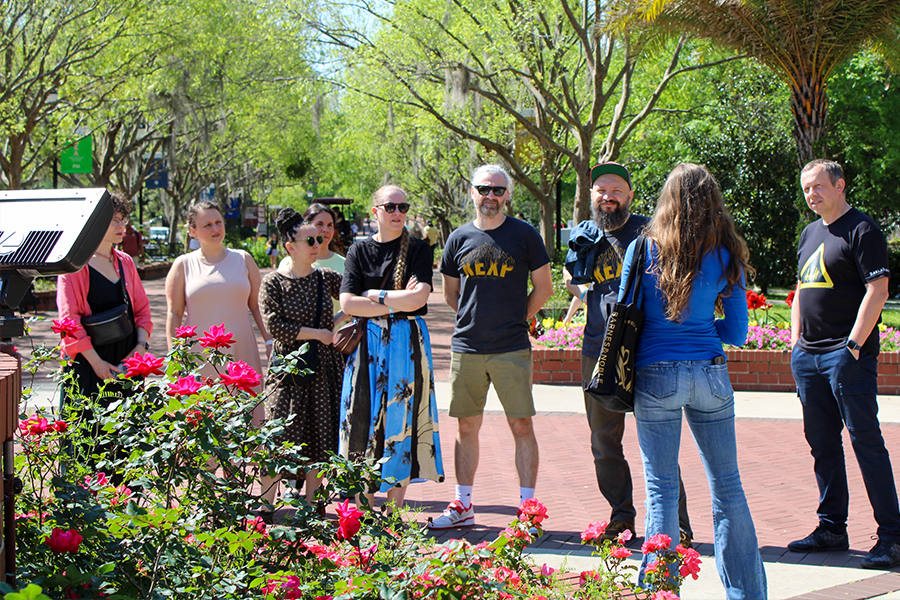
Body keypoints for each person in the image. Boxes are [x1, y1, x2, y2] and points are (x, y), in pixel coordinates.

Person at [621, 163, 766, 598]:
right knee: (728, 487)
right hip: (711, 374)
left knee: (661, 488)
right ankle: (746, 594)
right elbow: (737, 333)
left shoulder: (643, 248)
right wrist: (703, 332)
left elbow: (626, 319)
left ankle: (661, 592)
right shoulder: (725, 252)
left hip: (655, 374)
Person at [563, 162, 693, 545]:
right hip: (597, 348)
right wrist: (578, 283)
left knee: (659, 439)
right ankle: (621, 516)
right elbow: (574, 280)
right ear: (591, 196)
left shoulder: (651, 231)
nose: (608, 196)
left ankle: (677, 524)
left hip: (646, 348)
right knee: (604, 440)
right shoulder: (584, 234)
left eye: (616, 190)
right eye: (601, 190)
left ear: (630, 195)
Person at [788, 159, 900, 569]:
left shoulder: (862, 230)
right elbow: (801, 287)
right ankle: (831, 527)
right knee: (822, 445)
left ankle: (892, 537)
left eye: (818, 186)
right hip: (809, 356)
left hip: (846, 357)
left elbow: (878, 289)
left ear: (840, 186)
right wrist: (796, 342)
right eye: (806, 189)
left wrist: (852, 345)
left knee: (865, 442)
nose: (811, 194)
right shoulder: (809, 233)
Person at [429, 164, 552, 529]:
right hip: (466, 347)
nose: (491, 197)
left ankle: (527, 509)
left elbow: (543, 288)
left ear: (508, 195)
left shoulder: (525, 235)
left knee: (521, 426)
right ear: (472, 192)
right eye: (484, 189)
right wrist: (474, 319)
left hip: (511, 347)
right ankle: (463, 504)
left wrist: (517, 317)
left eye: (498, 190)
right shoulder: (458, 238)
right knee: (466, 427)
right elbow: (451, 294)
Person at [339, 185, 444, 511]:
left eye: (402, 207)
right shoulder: (358, 252)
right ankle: (361, 509)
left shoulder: (417, 249)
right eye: (390, 207)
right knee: (362, 413)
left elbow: (420, 297)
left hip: (406, 343)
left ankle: (394, 512)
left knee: (404, 416)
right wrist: (397, 303)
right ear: (376, 212)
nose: (397, 213)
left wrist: (374, 297)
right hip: (367, 346)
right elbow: (347, 302)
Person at [57, 193, 153, 471]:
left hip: (125, 365)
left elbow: (143, 312)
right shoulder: (72, 265)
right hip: (88, 367)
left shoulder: (125, 262)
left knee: (125, 451)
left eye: (123, 219)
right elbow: (69, 321)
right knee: (86, 449)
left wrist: (139, 350)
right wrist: (97, 364)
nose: (122, 226)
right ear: (93, 222)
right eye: (113, 220)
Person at [259, 208, 344, 508]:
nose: (317, 245)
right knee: (277, 437)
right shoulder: (273, 282)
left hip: (322, 368)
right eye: (309, 240)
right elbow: (275, 326)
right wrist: (318, 333)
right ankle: (266, 505)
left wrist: (338, 319)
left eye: (319, 239)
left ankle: (313, 505)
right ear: (290, 247)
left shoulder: (327, 278)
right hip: (287, 370)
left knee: (320, 437)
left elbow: (353, 295)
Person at [165, 201, 272, 404]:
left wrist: (269, 342)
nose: (215, 229)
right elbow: (174, 314)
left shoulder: (244, 259)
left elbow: (258, 306)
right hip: (200, 356)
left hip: (242, 352)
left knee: (245, 419)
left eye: (218, 222)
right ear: (193, 231)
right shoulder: (183, 265)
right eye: (207, 225)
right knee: (204, 417)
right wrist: (174, 355)